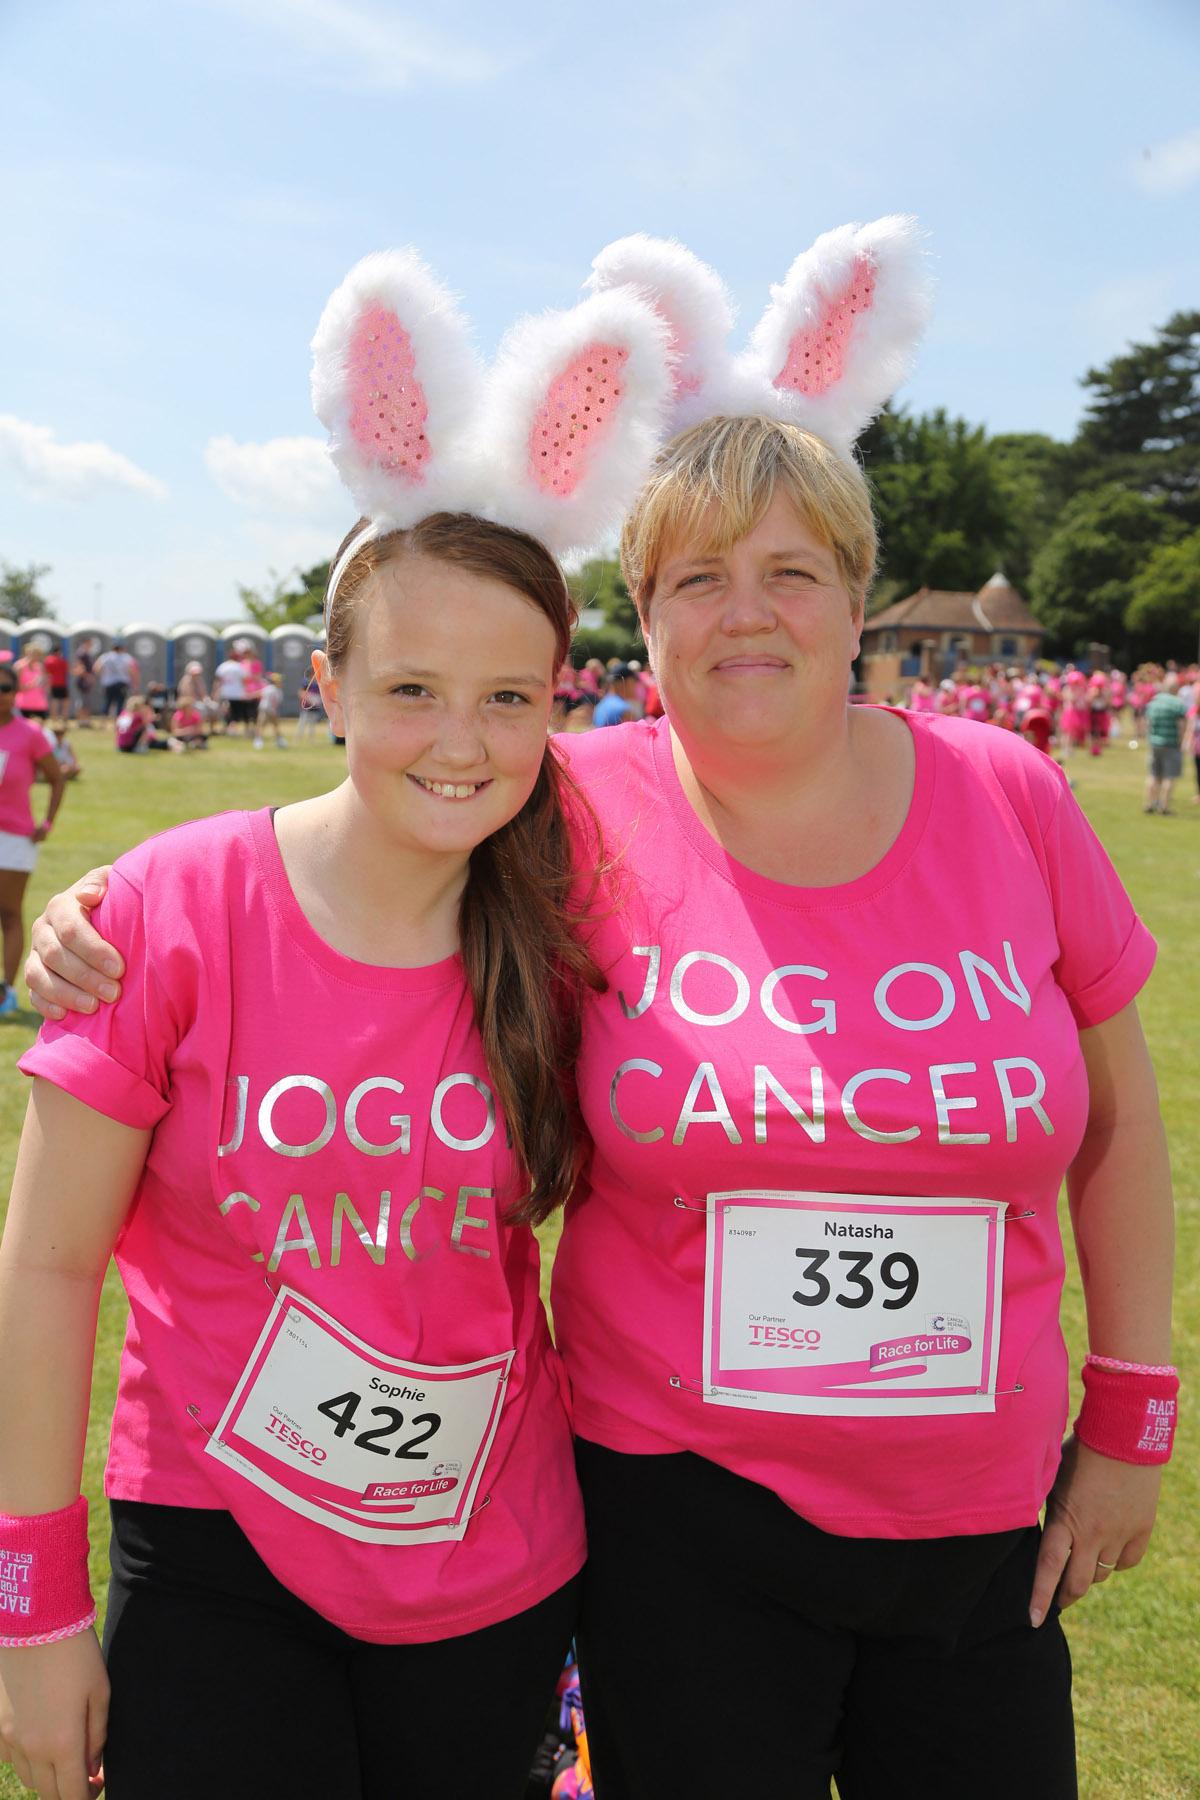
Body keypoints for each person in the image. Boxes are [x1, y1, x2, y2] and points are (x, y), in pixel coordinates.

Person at [16, 224, 1180, 1798]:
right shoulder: (578, 805)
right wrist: (101, 924)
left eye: (793, 573)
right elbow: (410, 758)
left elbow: (1114, 1117)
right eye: (698, 577)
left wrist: (1134, 1414)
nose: (746, 614)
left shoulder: (1004, 793)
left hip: (959, 1514)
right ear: (643, 612)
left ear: (861, 604)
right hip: (666, 1506)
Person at [0, 242, 683, 1800]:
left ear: (562, 702)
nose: (462, 742)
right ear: (332, 683)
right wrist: (31, 1611)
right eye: (414, 690)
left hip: (496, 1567)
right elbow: (44, 1270)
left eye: (513, 697)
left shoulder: (580, 920)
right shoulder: (169, 912)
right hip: (220, 1547)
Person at [0, 668, 65, 1017]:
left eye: (5, 687)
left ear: (16, 692)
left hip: (13, 838)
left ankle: (5, 991)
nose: (0, 694)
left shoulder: (29, 735)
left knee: (8, 913)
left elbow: (57, 779)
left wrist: (47, 822)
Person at [1142, 671, 1187, 815]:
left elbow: (1147, 722)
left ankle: (1149, 803)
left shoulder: (1154, 701)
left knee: (1153, 774)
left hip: (1155, 742)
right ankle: (1164, 806)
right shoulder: (1177, 704)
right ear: (1176, 688)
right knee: (1169, 776)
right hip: (1171, 743)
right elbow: (1182, 726)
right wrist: (1181, 742)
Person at [114, 696, 181, 754]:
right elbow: (147, 725)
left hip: (120, 746)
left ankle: (171, 743)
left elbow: (117, 727)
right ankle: (140, 747)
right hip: (130, 746)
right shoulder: (137, 716)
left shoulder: (123, 714)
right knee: (145, 728)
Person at [212, 645, 251, 735]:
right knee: (238, 713)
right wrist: (246, 692)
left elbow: (218, 681)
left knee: (226, 713)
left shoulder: (223, 666)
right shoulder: (240, 667)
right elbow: (244, 680)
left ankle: (227, 728)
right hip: (237, 694)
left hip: (225, 693)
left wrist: (214, 693)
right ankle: (238, 729)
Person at [13, 645, 51, 721]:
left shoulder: (40, 666)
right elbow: (16, 687)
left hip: (39, 703)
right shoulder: (19, 666)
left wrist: (46, 682)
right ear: (27, 653)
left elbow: (44, 684)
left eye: (38, 655)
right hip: (23, 704)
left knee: (40, 729)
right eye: (34, 654)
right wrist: (32, 684)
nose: (37, 657)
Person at [252, 673, 287, 749]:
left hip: (270, 710)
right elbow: (260, 694)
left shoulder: (273, 689)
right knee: (262, 725)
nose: (281, 682)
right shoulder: (272, 689)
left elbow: (259, 694)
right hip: (266, 710)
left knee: (273, 726)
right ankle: (258, 741)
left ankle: (279, 740)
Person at [43, 646, 71, 725]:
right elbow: (68, 670)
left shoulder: (48, 660)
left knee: (54, 702)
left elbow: (45, 673)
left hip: (53, 684)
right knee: (65, 702)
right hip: (62, 684)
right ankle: (64, 719)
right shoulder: (62, 661)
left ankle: (54, 719)